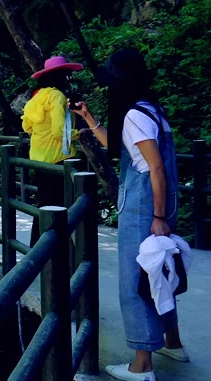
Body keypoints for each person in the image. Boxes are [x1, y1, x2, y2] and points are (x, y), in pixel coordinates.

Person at [72, 48, 186, 381]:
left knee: (134, 282)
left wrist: (158, 216)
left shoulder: (135, 115)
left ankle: (142, 364)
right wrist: (90, 119)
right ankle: (173, 343)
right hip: (161, 201)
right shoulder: (152, 110)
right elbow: (124, 150)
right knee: (159, 272)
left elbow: (155, 167)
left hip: (144, 206)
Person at [21, 55, 83, 244]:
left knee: (45, 204)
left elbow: (27, 127)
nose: (70, 79)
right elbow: (58, 131)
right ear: (60, 76)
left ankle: (37, 246)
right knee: (60, 205)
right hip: (58, 158)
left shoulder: (37, 97)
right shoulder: (57, 96)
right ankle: (55, 246)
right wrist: (79, 133)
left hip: (39, 159)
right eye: (67, 75)